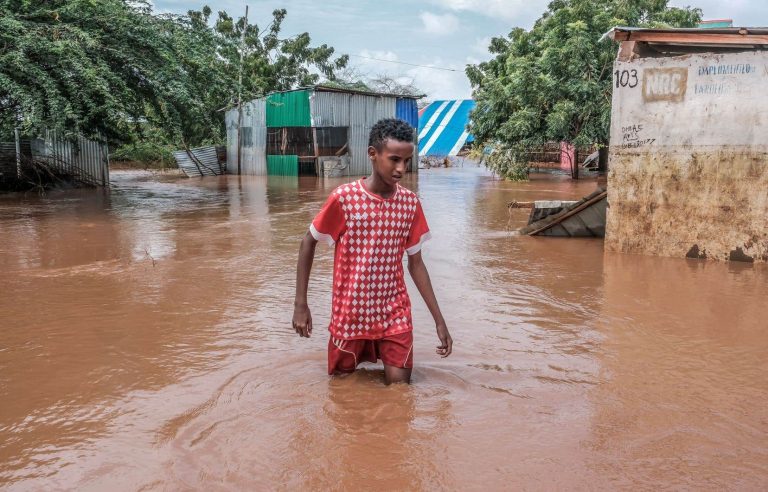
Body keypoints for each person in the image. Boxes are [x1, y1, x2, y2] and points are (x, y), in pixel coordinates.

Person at [292, 118, 452, 384]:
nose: (401, 169)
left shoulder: (410, 204)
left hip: (394, 313)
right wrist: (300, 304)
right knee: (343, 390)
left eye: (407, 161)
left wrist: (439, 319)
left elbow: (416, 264)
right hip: (350, 313)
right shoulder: (344, 199)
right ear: (372, 154)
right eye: (394, 160)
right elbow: (308, 242)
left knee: (400, 391)